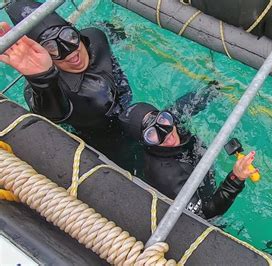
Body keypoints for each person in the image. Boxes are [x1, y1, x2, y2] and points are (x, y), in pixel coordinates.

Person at [0, 0, 140, 173]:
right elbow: (52, 112)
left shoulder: (94, 37)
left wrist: (125, 38)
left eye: (68, 36)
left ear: (74, 30)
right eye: (52, 48)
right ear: (43, 55)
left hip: (133, 113)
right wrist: (42, 78)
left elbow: (110, 32)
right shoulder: (47, 89)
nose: (70, 52)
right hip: (109, 145)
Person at [119, 82, 257, 219]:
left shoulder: (172, 119)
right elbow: (205, 214)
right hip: (202, 197)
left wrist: (219, 87)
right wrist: (235, 179)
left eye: (162, 120)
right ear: (146, 143)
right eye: (152, 135)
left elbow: (195, 99)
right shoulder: (167, 176)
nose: (166, 134)